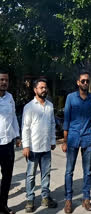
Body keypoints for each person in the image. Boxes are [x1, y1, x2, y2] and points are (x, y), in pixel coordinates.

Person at [61, 70, 91, 213]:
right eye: (82, 81)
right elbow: (66, 120)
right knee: (69, 171)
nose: (85, 83)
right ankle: (68, 200)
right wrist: (64, 141)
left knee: (87, 171)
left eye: (87, 81)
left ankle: (86, 199)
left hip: (87, 138)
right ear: (78, 82)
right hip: (72, 138)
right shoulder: (71, 98)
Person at [22, 79, 57, 212]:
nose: (44, 90)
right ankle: (30, 199)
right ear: (35, 90)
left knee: (46, 174)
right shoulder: (29, 107)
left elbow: (52, 123)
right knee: (31, 175)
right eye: (41, 87)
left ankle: (45, 197)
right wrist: (26, 146)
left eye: (45, 87)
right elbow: (25, 128)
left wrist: (53, 140)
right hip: (33, 147)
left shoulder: (49, 105)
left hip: (46, 146)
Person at [0, 68, 21, 214]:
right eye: (1, 80)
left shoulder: (10, 97)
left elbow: (13, 117)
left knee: (7, 177)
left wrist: (18, 136)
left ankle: (3, 206)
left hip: (7, 143)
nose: (4, 82)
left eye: (6, 80)